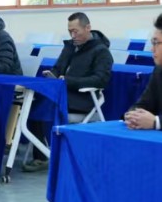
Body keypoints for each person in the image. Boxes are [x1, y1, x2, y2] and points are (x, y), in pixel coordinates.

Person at [21, 12, 114, 171]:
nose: (73, 35)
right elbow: (58, 69)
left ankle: (47, 155)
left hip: (83, 98)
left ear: (88, 28)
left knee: (39, 105)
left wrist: (68, 81)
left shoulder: (101, 51)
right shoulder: (70, 47)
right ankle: (41, 154)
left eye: (76, 31)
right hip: (62, 94)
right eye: (70, 31)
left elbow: (100, 80)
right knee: (32, 103)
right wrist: (52, 75)